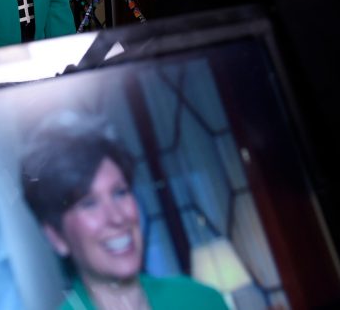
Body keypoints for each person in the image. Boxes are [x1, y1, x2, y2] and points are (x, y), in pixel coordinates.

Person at [20, 116, 229, 310]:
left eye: (120, 193)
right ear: (56, 237)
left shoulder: (201, 301)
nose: (117, 217)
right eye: (89, 203)